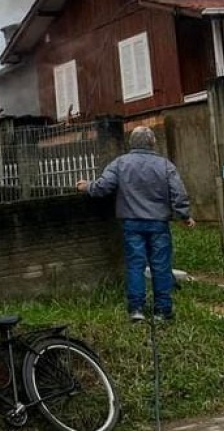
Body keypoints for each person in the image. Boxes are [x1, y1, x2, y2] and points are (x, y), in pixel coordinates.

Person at [76, 126, 195, 322]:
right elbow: (178, 193)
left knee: (135, 266)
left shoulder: (120, 163)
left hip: (132, 222)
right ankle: (162, 311)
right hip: (158, 223)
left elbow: (103, 187)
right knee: (161, 266)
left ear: (131, 143)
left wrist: (86, 186)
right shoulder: (165, 165)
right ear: (153, 142)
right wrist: (184, 216)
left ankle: (136, 309)